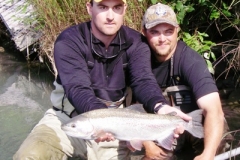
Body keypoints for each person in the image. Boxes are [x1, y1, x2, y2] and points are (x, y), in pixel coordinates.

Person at [13, 0, 191, 160]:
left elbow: (143, 80)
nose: (110, 16)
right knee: (28, 156)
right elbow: (77, 88)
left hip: (116, 128)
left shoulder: (137, 43)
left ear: (125, 9)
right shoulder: (68, 41)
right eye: (103, 7)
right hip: (67, 119)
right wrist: (100, 120)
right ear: (89, 8)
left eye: (117, 8)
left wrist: (160, 106)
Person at [141, 3, 225, 160]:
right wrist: (147, 143)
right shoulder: (138, 59)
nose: (162, 39)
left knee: (220, 130)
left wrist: (208, 154)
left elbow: (214, 110)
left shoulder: (191, 61)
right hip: (159, 128)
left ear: (177, 30)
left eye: (168, 32)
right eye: (155, 32)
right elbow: (128, 113)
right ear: (144, 32)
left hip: (195, 124)